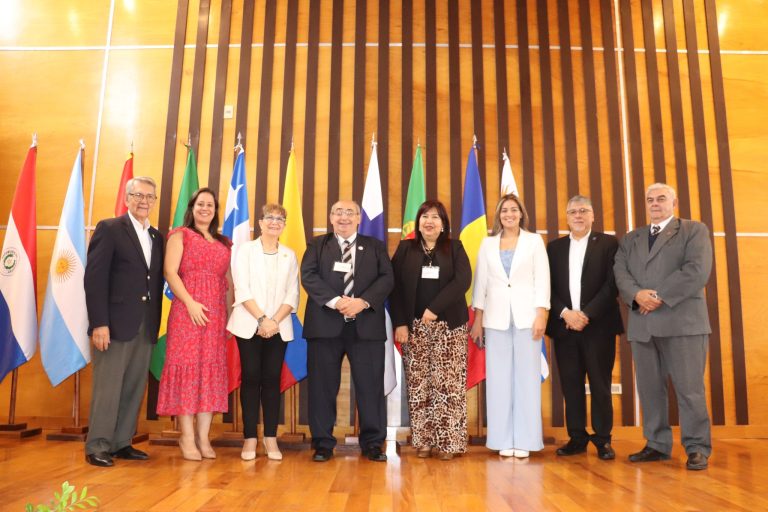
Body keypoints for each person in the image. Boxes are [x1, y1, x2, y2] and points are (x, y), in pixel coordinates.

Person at [614, 183, 713, 470]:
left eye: (660, 199)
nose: (655, 204)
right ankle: (657, 444)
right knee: (649, 389)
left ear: (674, 201)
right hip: (643, 324)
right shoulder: (632, 238)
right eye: (650, 200)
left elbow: (696, 270)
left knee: (689, 388)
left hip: (682, 324)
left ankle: (697, 447)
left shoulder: (694, 230)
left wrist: (657, 296)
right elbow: (621, 273)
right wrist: (637, 295)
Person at [301, 200, 394, 462]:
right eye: (338, 213)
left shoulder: (375, 246)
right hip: (324, 325)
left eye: (349, 213)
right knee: (321, 387)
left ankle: (373, 443)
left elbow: (387, 278)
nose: (344, 217)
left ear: (358, 219)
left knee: (370, 388)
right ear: (330, 217)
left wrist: (361, 302)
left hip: (366, 327)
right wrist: (336, 301)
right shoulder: (317, 245)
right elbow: (308, 276)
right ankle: (322, 444)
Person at [83, 176, 164, 467]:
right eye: (138, 195)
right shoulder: (110, 228)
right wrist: (99, 323)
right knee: (109, 386)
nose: (144, 201)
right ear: (127, 198)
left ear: (155, 201)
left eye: (150, 197)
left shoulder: (157, 236)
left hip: (145, 324)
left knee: (133, 385)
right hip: (114, 324)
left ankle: (121, 442)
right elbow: (94, 280)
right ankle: (98, 445)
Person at [470, 193, 550, 458]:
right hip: (495, 319)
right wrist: (478, 321)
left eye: (514, 210)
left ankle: (526, 440)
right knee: (499, 381)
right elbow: (481, 283)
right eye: (504, 210)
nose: (509, 215)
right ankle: (502, 439)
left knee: (527, 379)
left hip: (528, 319)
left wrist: (542, 315)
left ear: (521, 214)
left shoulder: (534, 241)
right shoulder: (487, 243)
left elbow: (543, 280)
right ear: (498, 215)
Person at [390, 200, 472, 461]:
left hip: (450, 327)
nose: (430, 221)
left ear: (443, 223)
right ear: (418, 222)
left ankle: (449, 443)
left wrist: (434, 309)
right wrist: (401, 323)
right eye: (425, 216)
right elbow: (395, 289)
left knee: (448, 386)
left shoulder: (454, 247)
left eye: (435, 217)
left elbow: (463, 281)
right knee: (418, 386)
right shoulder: (406, 249)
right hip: (413, 329)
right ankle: (423, 442)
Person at [546, 195, 623, 461]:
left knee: (601, 385)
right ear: (566, 217)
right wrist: (567, 314)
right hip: (564, 326)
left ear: (593, 216)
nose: (578, 216)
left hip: (598, 326)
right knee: (571, 385)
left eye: (583, 211)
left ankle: (603, 439)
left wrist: (586, 314)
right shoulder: (553, 248)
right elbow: (547, 288)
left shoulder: (609, 243)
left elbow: (612, 285)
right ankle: (577, 437)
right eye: (573, 212)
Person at [156, 187, 231, 461]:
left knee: (208, 373)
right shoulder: (180, 234)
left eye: (210, 205)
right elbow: (170, 272)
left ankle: (203, 436)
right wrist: (189, 302)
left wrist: (230, 315)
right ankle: (186, 437)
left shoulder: (225, 242)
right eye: (200, 204)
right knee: (188, 371)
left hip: (215, 317)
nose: (205, 209)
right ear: (192, 207)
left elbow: (229, 283)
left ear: (215, 210)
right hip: (187, 313)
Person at [227, 204, 299, 461]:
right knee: (251, 378)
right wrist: (261, 319)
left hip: (278, 327)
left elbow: (293, 293)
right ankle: (249, 438)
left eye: (280, 219)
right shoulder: (244, 250)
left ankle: (270, 438)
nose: (274, 222)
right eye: (269, 217)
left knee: (271, 380)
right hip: (248, 324)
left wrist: (273, 322)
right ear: (260, 222)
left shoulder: (289, 255)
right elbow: (242, 288)